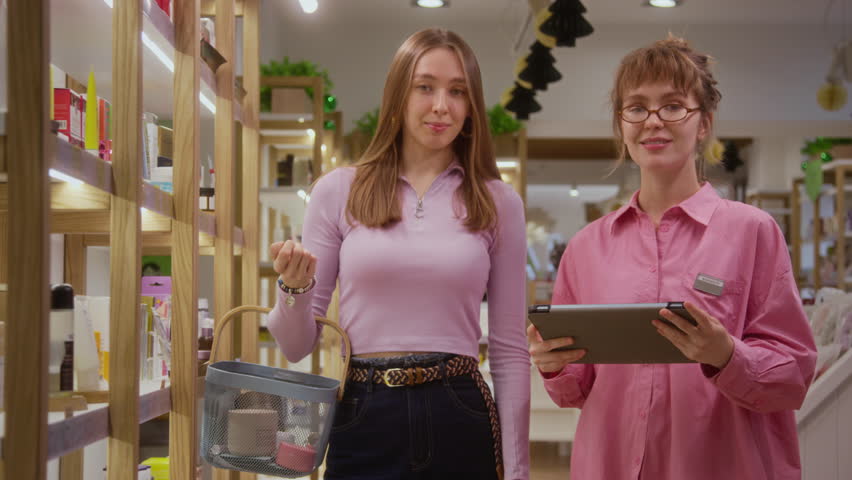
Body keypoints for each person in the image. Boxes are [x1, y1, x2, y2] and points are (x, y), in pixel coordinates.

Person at [528, 35, 817, 480]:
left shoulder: (752, 231)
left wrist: (727, 355)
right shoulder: (587, 248)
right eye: (637, 107)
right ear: (621, 124)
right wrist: (554, 364)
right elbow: (577, 390)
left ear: (703, 123)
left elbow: (793, 376)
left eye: (674, 105)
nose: (653, 121)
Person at [267, 28, 530, 480]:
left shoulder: (498, 202)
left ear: (471, 107)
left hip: (460, 411)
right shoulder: (337, 191)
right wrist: (292, 289)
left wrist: (519, 470)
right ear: (398, 94)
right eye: (425, 87)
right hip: (362, 412)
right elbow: (295, 346)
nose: (441, 106)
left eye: (458, 91)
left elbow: (508, 351)